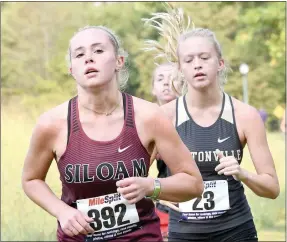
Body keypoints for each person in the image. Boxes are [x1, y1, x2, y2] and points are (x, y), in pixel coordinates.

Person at [21, 26, 204, 242]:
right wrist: (62, 212)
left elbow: (194, 184)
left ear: (119, 61)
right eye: (79, 54)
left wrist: (150, 187)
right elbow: (31, 179)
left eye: (98, 51)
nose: (89, 58)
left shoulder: (149, 116)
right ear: (72, 69)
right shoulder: (51, 123)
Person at [144, 10, 280, 242]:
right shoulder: (164, 116)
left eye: (204, 57)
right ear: (180, 69)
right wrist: (159, 194)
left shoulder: (245, 115)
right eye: (189, 60)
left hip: (236, 231)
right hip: (184, 234)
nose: (197, 65)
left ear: (220, 63)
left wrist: (242, 174)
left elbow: (272, 188)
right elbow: (136, 179)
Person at [150, 62, 183, 239]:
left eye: (172, 78)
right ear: (153, 88)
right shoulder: (145, 120)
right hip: (164, 204)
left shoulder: (196, 117)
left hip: (198, 203)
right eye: (160, 79)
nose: (166, 83)